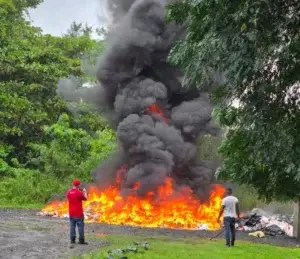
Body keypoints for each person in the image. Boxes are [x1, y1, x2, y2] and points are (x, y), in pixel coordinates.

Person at [67, 179, 88, 245]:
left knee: (72, 226)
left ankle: (72, 240)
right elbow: (85, 199)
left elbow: (71, 197)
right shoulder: (79, 193)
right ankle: (81, 240)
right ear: (79, 185)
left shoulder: (69, 192)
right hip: (78, 213)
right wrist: (85, 192)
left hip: (71, 213)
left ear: (73, 184)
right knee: (80, 226)